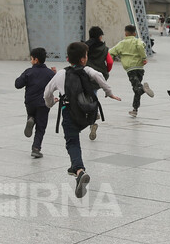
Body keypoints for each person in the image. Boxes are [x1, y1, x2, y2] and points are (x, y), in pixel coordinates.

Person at [44, 42, 121, 197]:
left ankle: (79, 170)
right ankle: (75, 168)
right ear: (84, 59)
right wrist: (109, 92)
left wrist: (50, 103)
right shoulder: (87, 70)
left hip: (69, 114)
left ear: (68, 58)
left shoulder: (61, 74)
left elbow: (47, 92)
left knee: (72, 142)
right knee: (78, 134)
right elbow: (99, 77)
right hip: (87, 114)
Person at [15, 48, 56, 159]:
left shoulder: (28, 72)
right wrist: (54, 75)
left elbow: (18, 84)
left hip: (30, 102)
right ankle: (36, 148)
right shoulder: (49, 73)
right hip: (44, 104)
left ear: (36, 60)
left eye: (31, 59)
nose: (30, 61)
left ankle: (31, 118)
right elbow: (56, 85)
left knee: (32, 114)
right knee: (41, 127)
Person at [109, 25, 152, 118]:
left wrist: (112, 59)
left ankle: (143, 90)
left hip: (130, 69)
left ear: (125, 33)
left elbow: (111, 52)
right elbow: (141, 46)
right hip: (140, 68)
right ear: (135, 33)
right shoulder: (138, 41)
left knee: (137, 88)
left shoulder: (122, 43)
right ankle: (135, 110)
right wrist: (144, 57)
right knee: (137, 88)